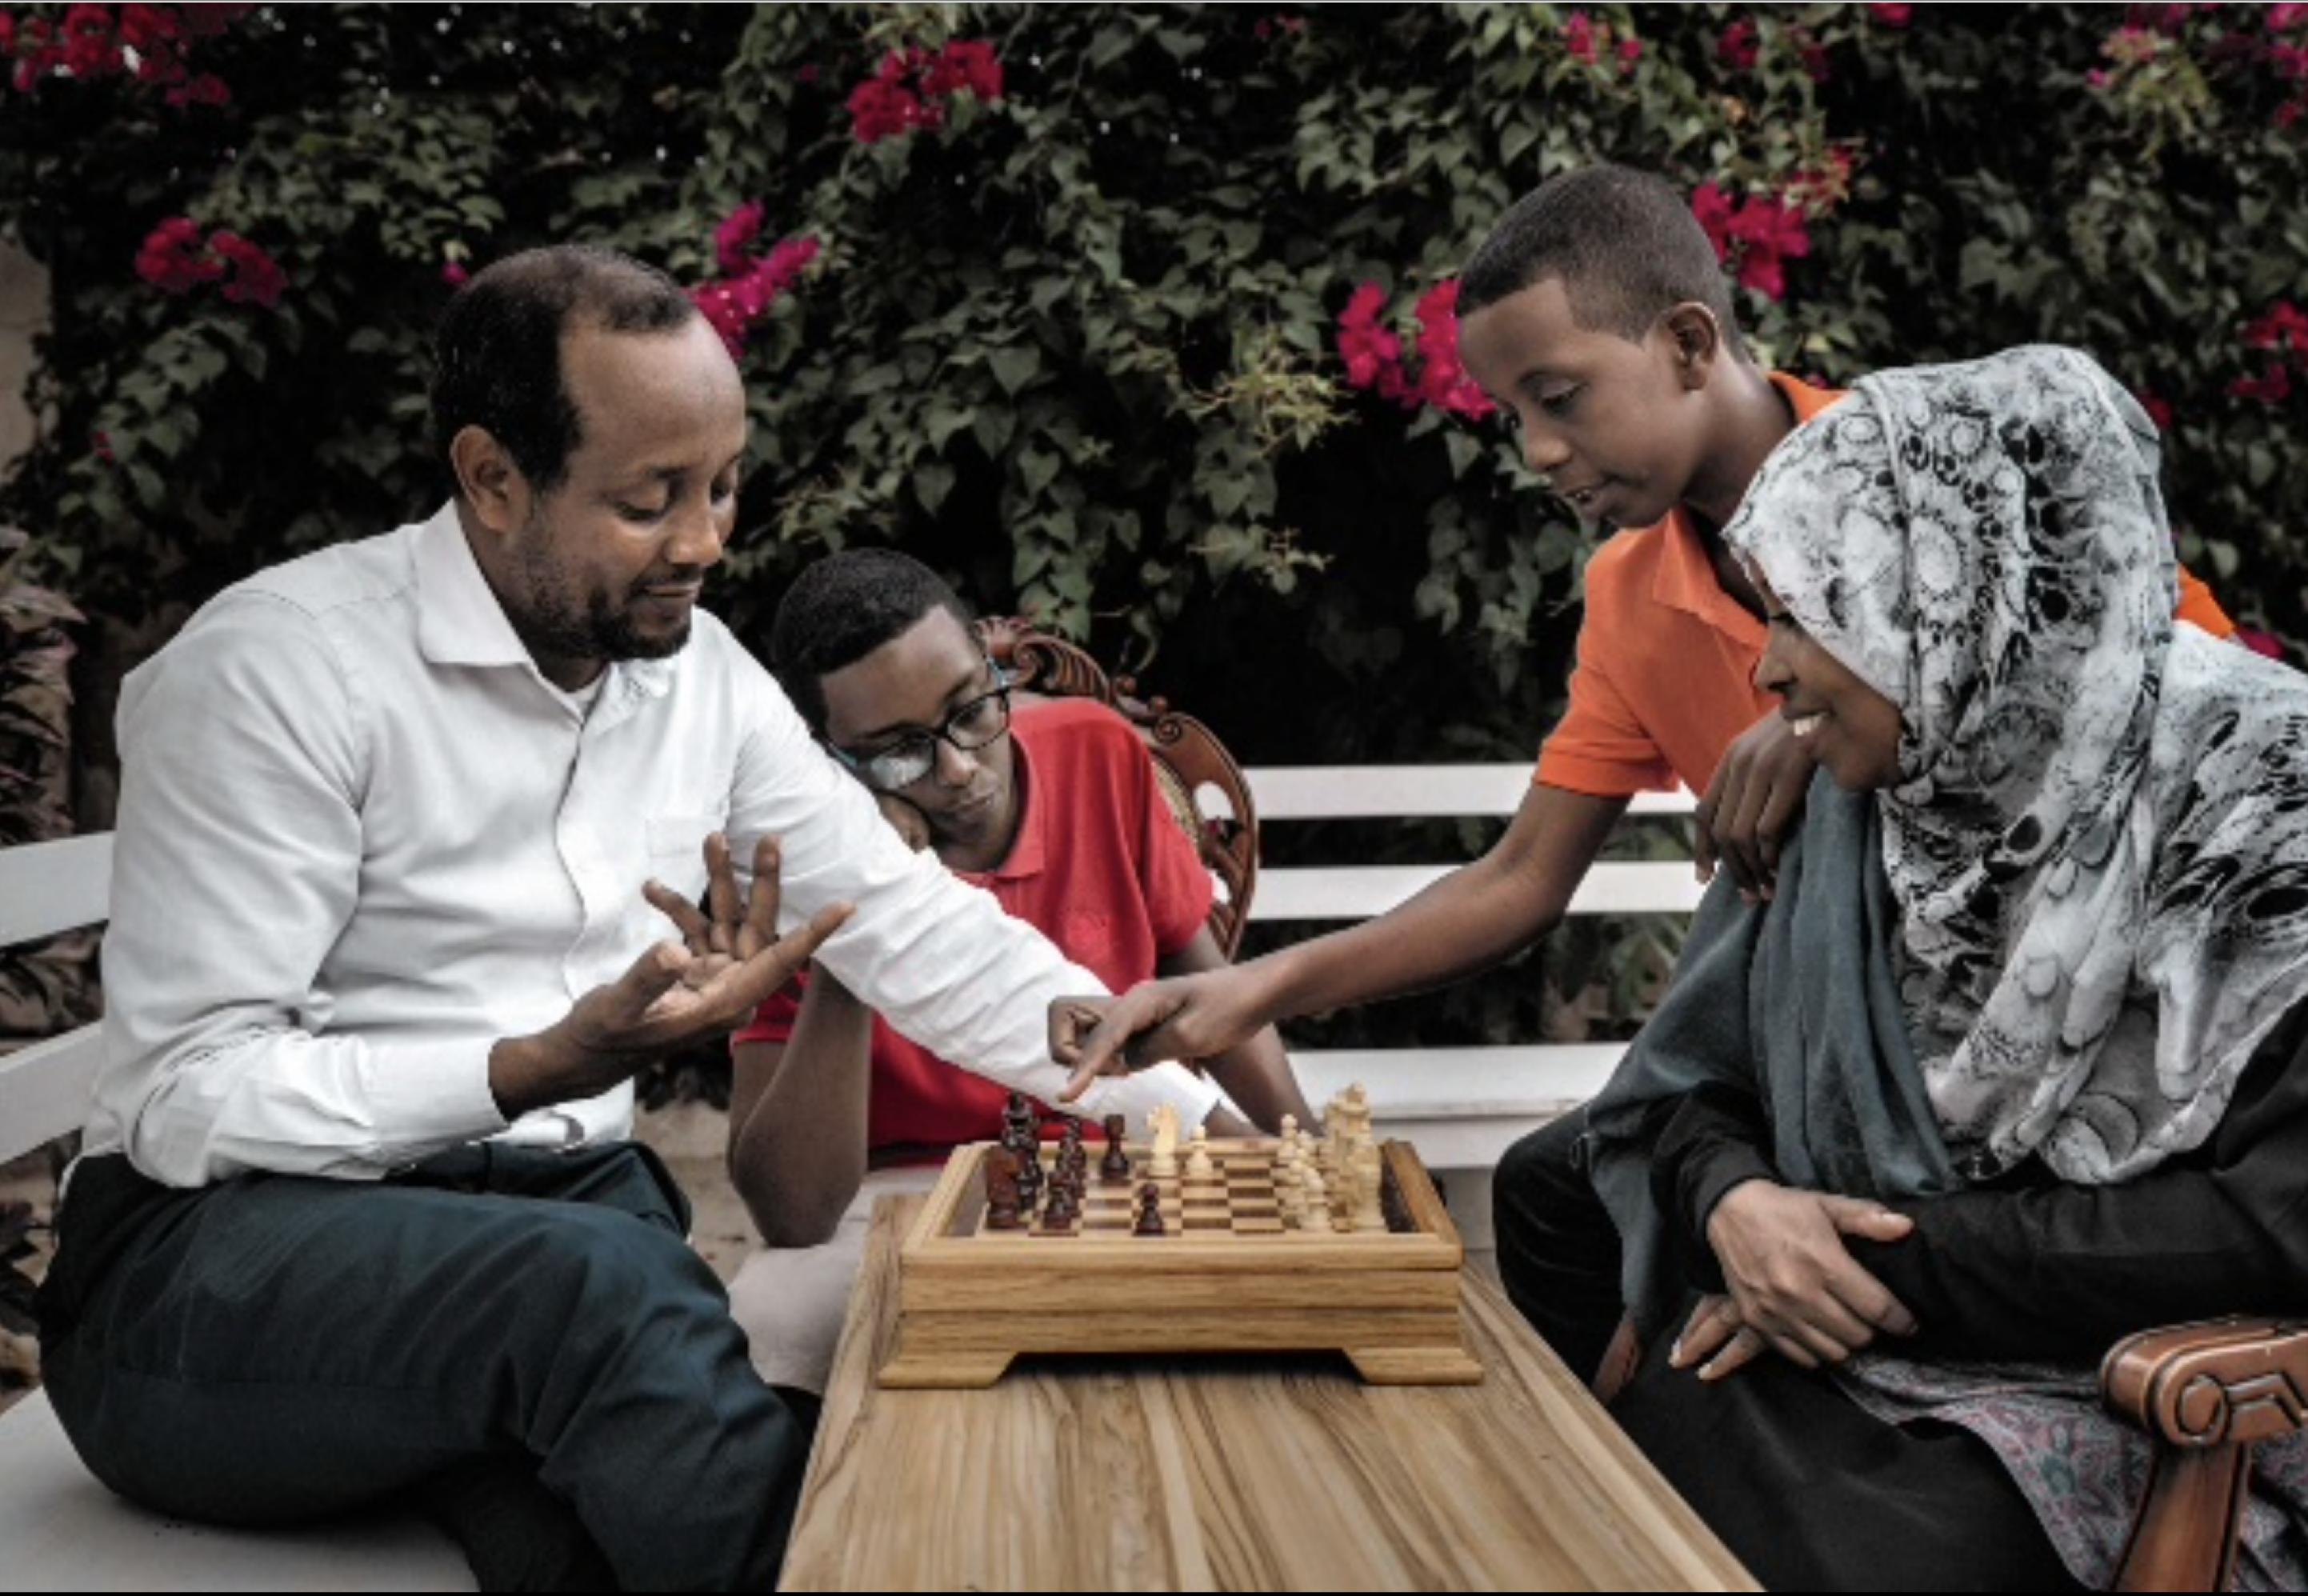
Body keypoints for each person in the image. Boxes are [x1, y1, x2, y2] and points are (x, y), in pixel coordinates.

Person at [32, 245, 1219, 1592]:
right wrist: (533, 1068)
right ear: (491, 478)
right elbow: (190, 1093)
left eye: (721, 486)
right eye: (652, 499)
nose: (707, 541)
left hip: (542, 1254)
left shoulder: (699, 678)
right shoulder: (277, 673)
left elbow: (902, 919)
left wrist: (1184, 1106)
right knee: (610, 1295)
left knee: (600, 1441)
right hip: (207, 1281)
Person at [1048, 164, 2233, 1101]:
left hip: (2104, 1005)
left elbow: (2174, 709)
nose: (1538, 453)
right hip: (1849, 1035)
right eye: (1513, 415)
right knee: (1568, 1196)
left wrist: (1824, 731)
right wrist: (1251, 990)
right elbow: (1520, 877)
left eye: (1558, 398)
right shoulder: (1627, 595)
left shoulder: (1940, 479)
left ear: (1686, 343)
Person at [1506, 346, 2308, 1590]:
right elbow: (1689, 1084)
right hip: (1857, 1335)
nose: (1767, 675)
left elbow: (2266, 1227)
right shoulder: (1878, 793)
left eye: (1801, 613)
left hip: (2136, 1374)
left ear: (1949, 594)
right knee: (1619, 1465)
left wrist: (1862, 1264)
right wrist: (1737, 1205)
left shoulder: (2263, 806)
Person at [721, 550, 1314, 1393]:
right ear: (827, 761)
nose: (958, 769)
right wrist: (859, 924)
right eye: (896, 753)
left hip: (1112, 1172)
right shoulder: (796, 862)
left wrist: (1308, 1159)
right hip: (895, 1199)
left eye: (970, 711)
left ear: (988, 665)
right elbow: (793, 1215)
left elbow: (1214, 1006)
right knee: (773, 1324)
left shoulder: (1098, 753)